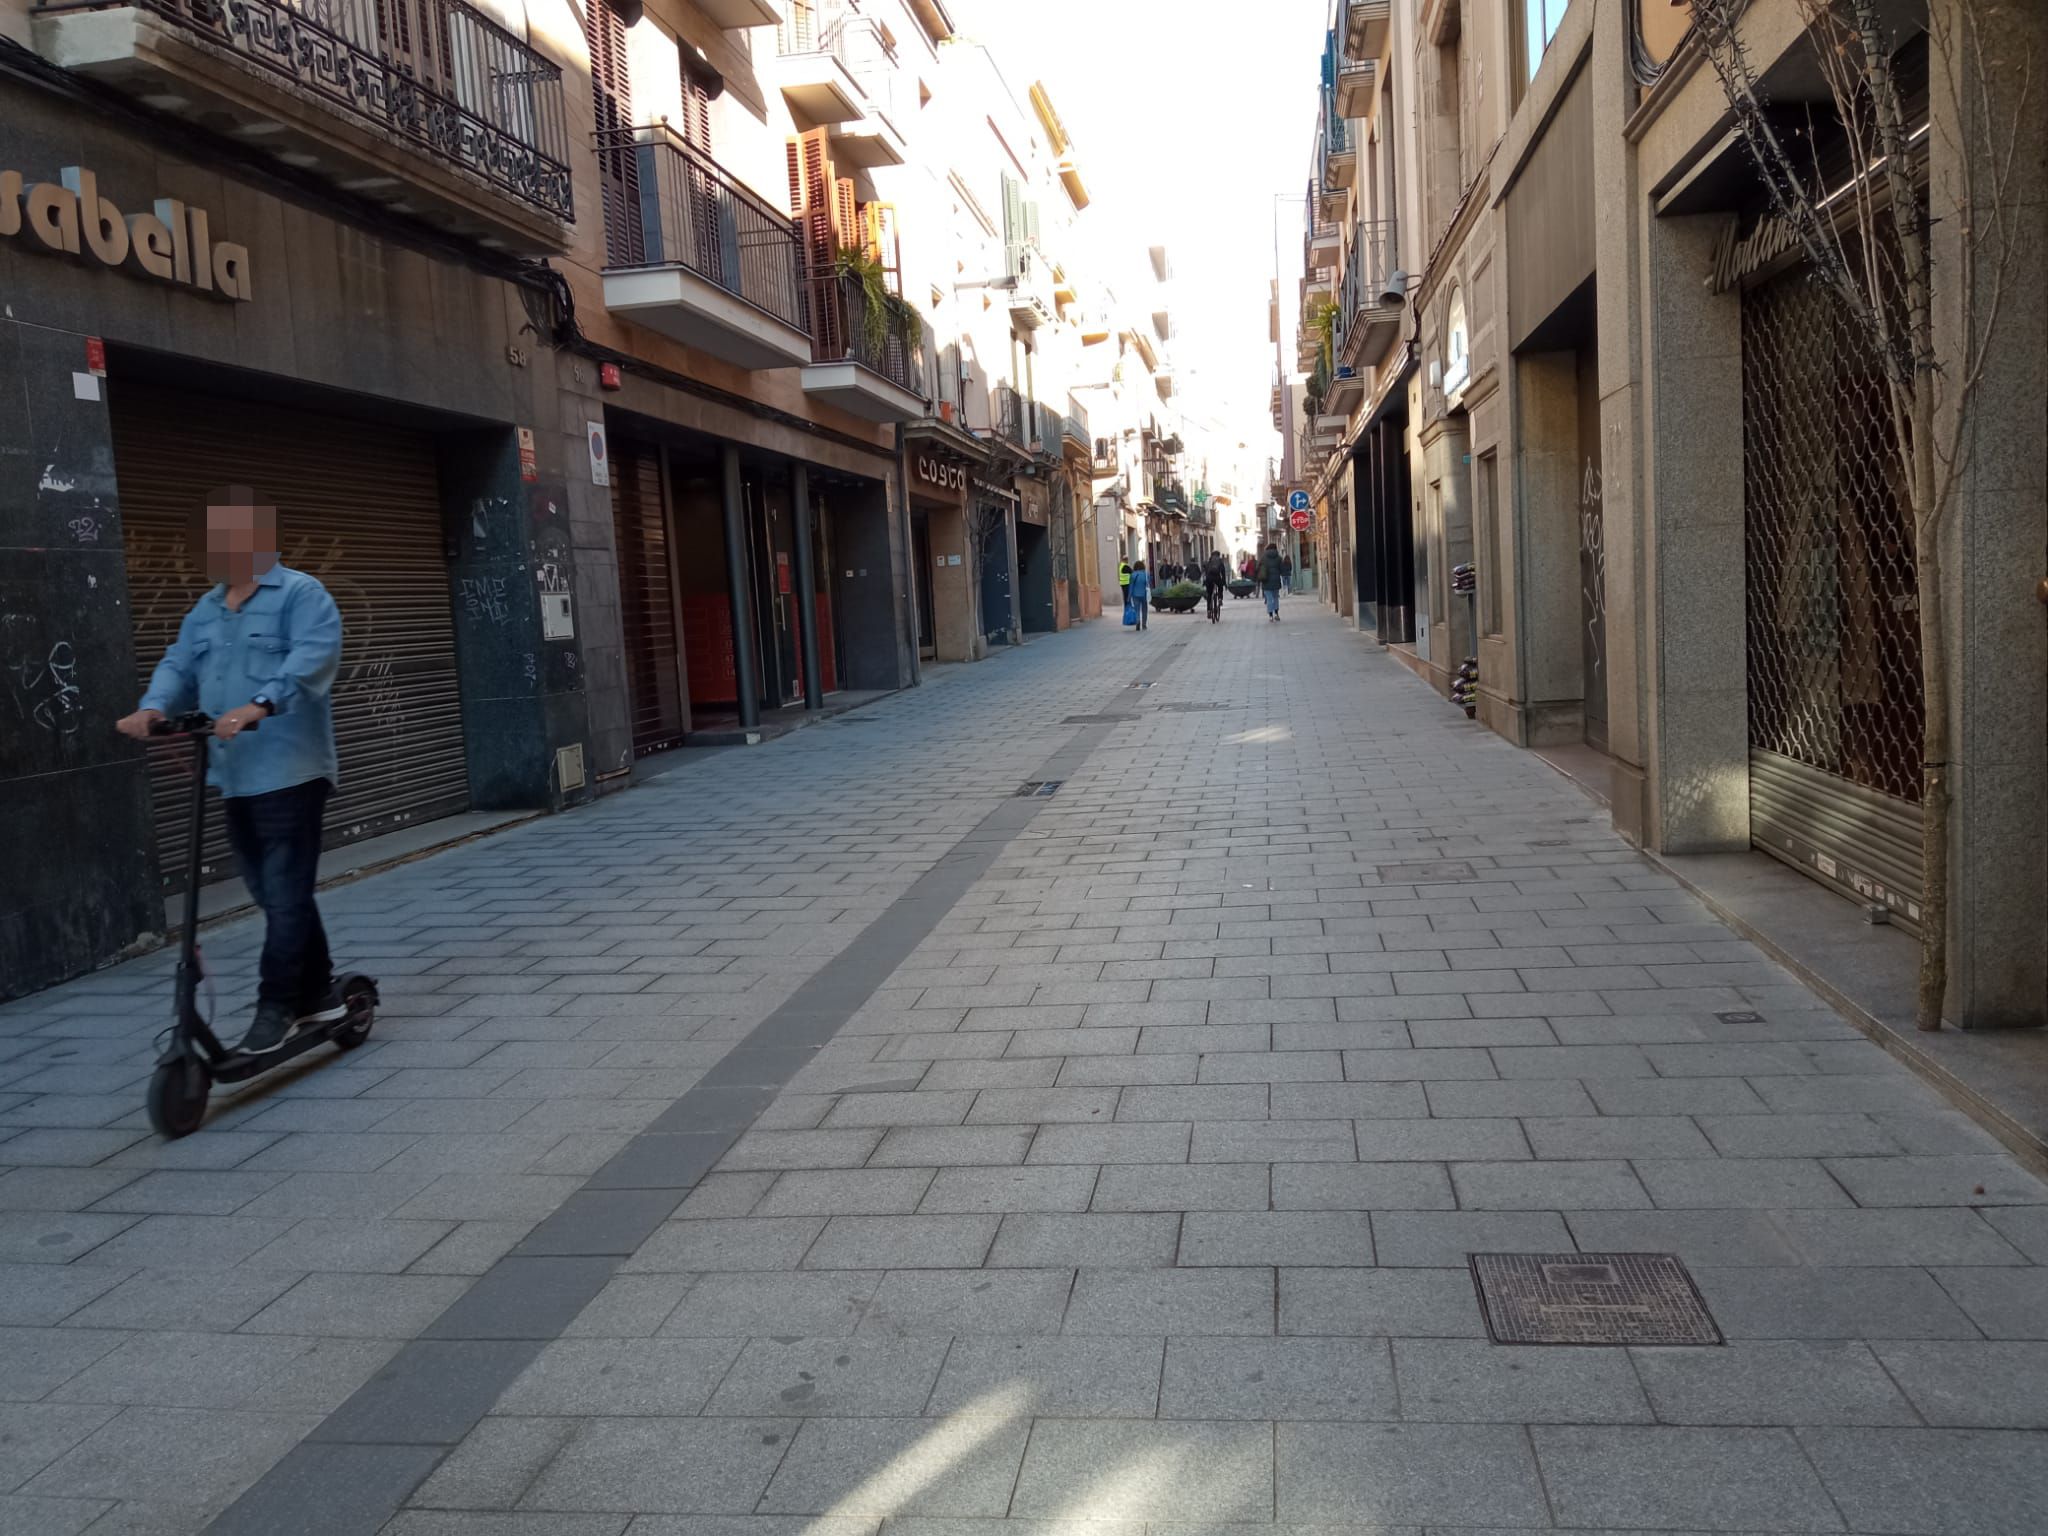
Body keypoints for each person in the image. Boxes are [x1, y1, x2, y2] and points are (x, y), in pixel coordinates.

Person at [115, 486, 345, 1056]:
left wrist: (258, 705)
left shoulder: (301, 595)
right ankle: (320, 992)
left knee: (285, 894)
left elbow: (311, 659)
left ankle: (280, 1006)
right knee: (273, 894)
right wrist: (153, 707)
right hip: (235, 776)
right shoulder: (210, 608)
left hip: (291, 772)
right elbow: (178, 663)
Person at [1258, 542, 1286, 621]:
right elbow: (1282, 569)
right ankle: (1276, 613)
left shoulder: (1263, 557)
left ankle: (1270, 615)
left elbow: (1258, 567)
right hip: (1276, 580)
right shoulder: (1279, 558)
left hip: (1266, 580)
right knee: (1275, 597)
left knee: (1269, 598)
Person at [1202, 551, 1227, 620]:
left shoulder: (1209, 562)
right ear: (1218, 555)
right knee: (1220, 587)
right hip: (1217, 578)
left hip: (1209, 579)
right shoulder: (1220, 562)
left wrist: (1204, 582)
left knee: (1209, 595)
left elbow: (1205, 573)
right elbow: (1223, 573)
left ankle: (1209, 611)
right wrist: (1224, 582)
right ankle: (1219, 598)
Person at [1127, 560, 1151, 631]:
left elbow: (1131, 586)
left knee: (1137, 609)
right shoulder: (1146, 574)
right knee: (1144, 610)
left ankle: (1138, 621)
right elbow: (1148, 584)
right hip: (1144, 594)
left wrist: (1129, 596)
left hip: (1135, 595)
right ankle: (1144, 625)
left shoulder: (1133, 575)